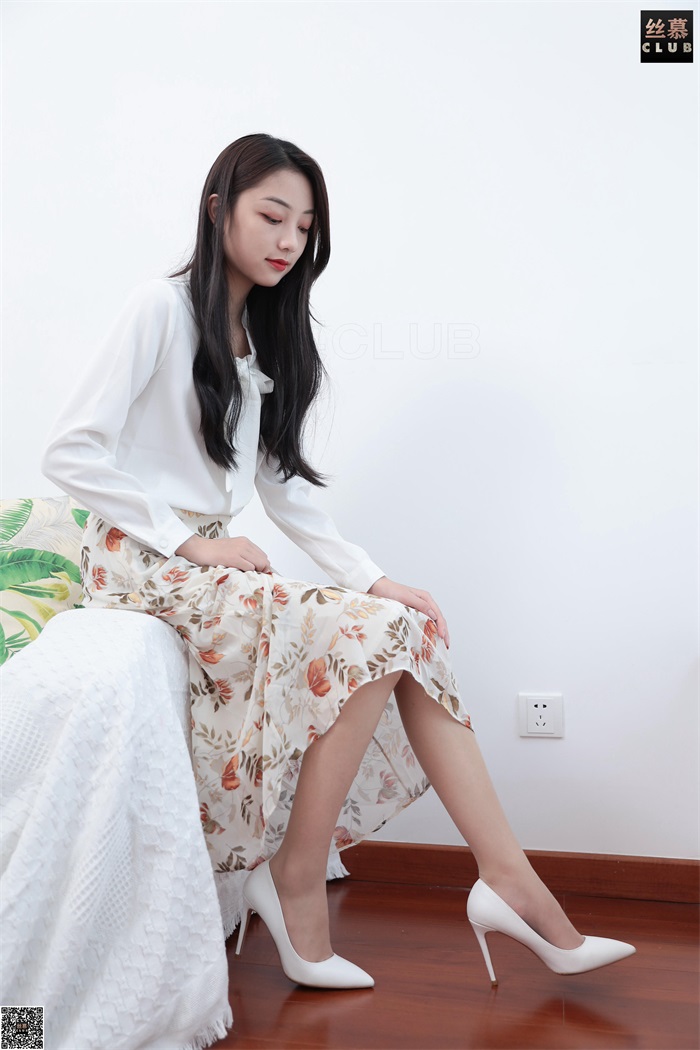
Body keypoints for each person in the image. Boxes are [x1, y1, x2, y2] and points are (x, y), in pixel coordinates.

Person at [42, 132, 635, 990]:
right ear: (219, 210)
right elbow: (70, 450)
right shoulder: (158, 309)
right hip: (141, 558)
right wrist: (192, 541)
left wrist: (374, 579)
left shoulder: (264, 333)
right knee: (375, 637)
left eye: (305, 226)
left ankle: (509, 881)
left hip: (207, 563)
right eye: (271, 216)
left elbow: (285, 490)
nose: (289, 240)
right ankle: (297, 878)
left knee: (402, 627)